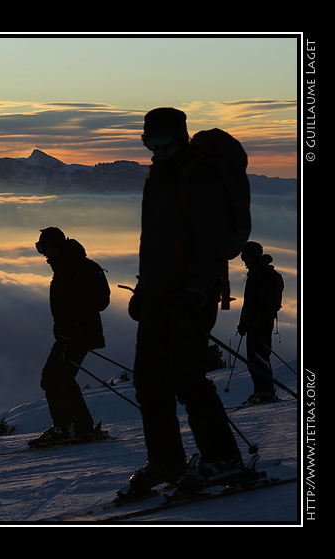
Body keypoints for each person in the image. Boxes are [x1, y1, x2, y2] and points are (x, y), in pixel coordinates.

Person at [122, 107, 248, 497]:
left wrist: (196, 292)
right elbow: (157, 242)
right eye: (149, 143)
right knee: (148, 380)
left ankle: (223, 458)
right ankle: (166, 461)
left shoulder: (201, 174)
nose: (157, 150)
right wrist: (145, 288)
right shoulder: (158, 174)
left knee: (186, 376)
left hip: (192, 293)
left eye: (164, 142)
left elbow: (210, 240)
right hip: (160, 292)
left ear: (182, 136)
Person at [28, 227, 110, 448]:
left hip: (73, 335)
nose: (43, 253)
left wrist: (71, 329)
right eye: (39, 248)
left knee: (52, 378)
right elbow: (99, 302)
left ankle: (66, 427)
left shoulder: (71, 269)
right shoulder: (77, 266)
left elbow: (78, 305)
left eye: (43, 248)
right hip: (78, 334)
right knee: (62, 378)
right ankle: (79, 426)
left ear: (56, 245)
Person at [237, 241, 284, 404]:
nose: (244, 260)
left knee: (259, 356)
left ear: (253, 256)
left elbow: (257, 302)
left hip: (260, 323)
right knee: (254, 357)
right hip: (256, 322)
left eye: (246, 257)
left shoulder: (262, 274)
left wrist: (248, 321)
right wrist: (244, 322)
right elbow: (250, 303)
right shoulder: (257, 273)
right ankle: (261, 391)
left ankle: (266, 391)